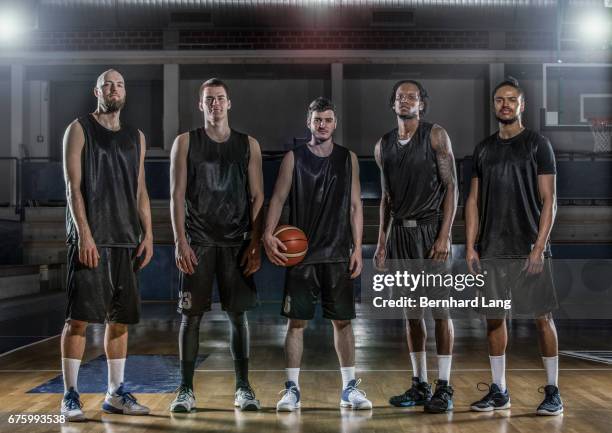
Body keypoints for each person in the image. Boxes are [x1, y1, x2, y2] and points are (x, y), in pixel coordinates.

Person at [263, 97, 371, 412]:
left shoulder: (347, 158)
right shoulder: (292, 159)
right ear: (308, 122)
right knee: (296, 323)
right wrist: (268, 234)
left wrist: (358, 248)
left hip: (337, 252)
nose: (322, 124)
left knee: (343, 322)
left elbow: (355, 206)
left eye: (327, 119)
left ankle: (349, 388)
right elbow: (278, 198)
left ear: (334, 123)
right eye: (317, 120)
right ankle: (292, 390)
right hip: (303, 255)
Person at [465, 77, 562, 416]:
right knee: (494, 319)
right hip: (492, 248)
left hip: (527, 249)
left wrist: (538, 248)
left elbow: (549, 200)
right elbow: (473, 201)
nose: (504, 104)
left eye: (511, 99)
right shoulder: (483, 149)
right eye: (499, 100)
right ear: (494, 106)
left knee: (542, 317)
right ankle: (499, 391)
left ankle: (553, 392)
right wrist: (471, 246)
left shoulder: (538, 144)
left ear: (522, 105)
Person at [60, 69, 153, 421]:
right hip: (92, 239)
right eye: (107, 84)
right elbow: (73, 187)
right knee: (79, 319)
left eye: (120, 84)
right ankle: (70, 395)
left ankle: (115, 393)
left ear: (124, 91)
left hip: (126, 240)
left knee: (120, 321)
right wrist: (84, 233)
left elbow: (141, 189)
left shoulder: (137, 136)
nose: (114, 89)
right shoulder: (79, 129)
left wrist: (147, 234)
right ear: (96, 90)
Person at [169, 78, 264, 412]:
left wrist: (255, 242)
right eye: (209, 99)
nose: (215, 104)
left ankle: (244, 388)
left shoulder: (248, 144)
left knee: (238, 317)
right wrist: (181, 241)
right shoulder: (185, 142)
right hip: (198, 241)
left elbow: (258, 196)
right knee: (191, 317)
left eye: (220, 98)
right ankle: (184, 390)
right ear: (201, 105)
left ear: (229, 103)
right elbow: (176, 195)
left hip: (236, 243)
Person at [374, 80, 458, 413]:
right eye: (400, 97)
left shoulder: (436, 135)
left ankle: (445, 387)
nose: (405, 101)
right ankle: (420, 383)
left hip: (430, 232)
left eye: (412, 96)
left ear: (422, 103)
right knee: (411, 314)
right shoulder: (383, 146)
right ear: (393, 104)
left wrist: (444, 235)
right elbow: (386, 199)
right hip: (401, 239)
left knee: (440, 312)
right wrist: (381, 242)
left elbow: (452, 187)